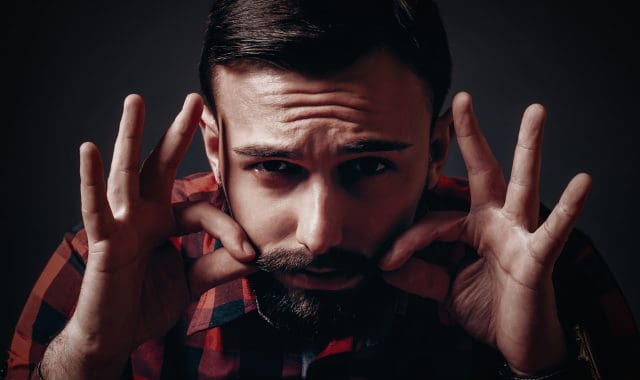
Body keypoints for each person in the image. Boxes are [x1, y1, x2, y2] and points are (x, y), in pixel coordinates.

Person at [6, 0, 639, 379]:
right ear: (214, 148)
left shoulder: (542, 265)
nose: (320, 234)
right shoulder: (109, 266)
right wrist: (88, 357)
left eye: (367, 167)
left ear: (437, 150)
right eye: (275, 168)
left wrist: (539, 366)